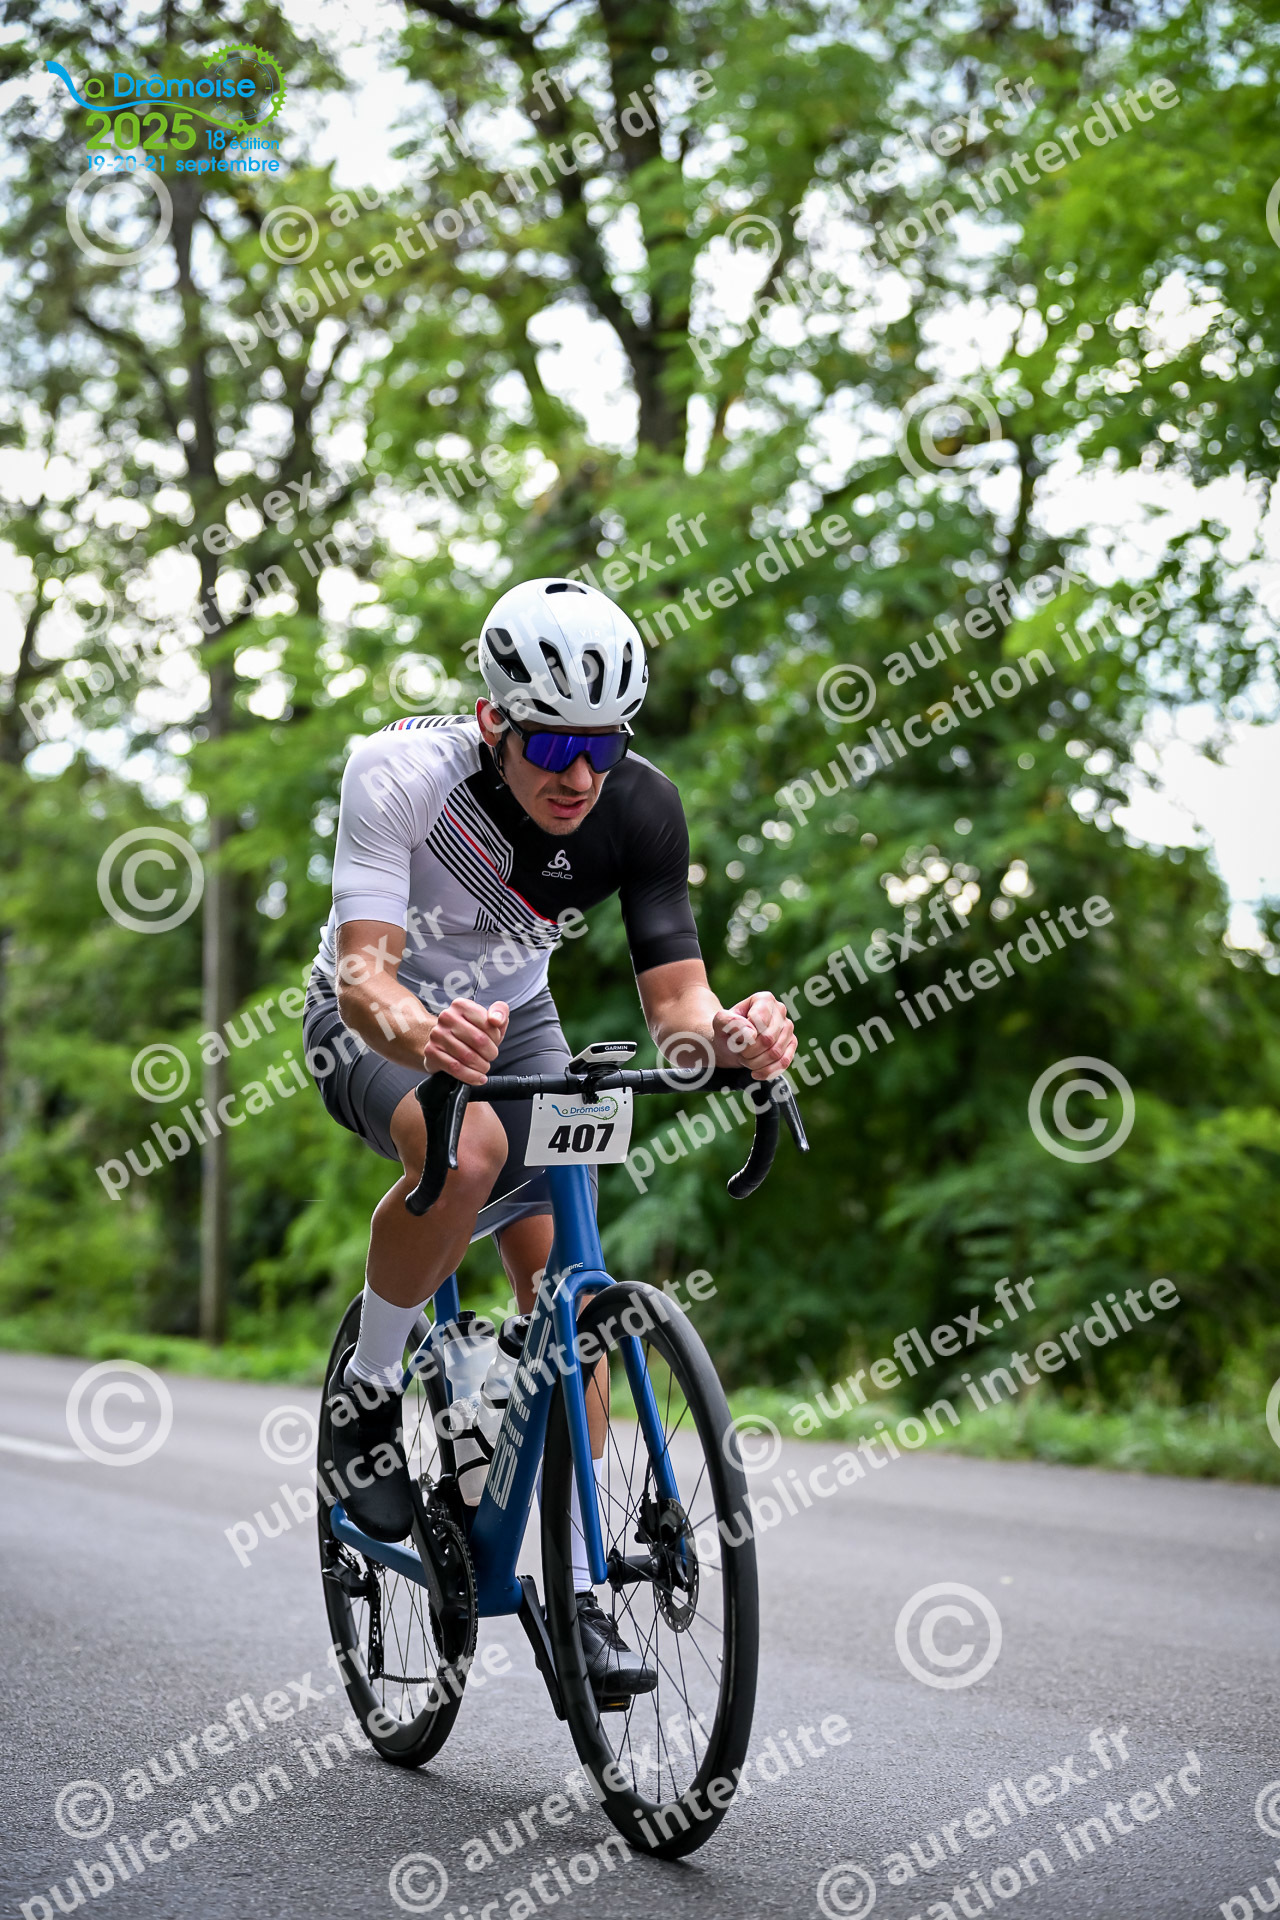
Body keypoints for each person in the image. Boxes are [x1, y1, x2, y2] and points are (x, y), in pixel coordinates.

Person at [303, 575, 796, 1690]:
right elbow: (365, 975)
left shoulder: (641, 806)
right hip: (374, 1015)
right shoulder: (397, 773)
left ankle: (577, 1594)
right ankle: (366, 1397)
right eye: (555, 745)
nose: (579, 776)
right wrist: (425, 1034)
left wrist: (733, 1037)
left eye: (603, 746)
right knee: (470, 1150)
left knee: (566, 1300)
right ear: (494, 721)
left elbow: (678, 1012)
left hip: (516, 1019)